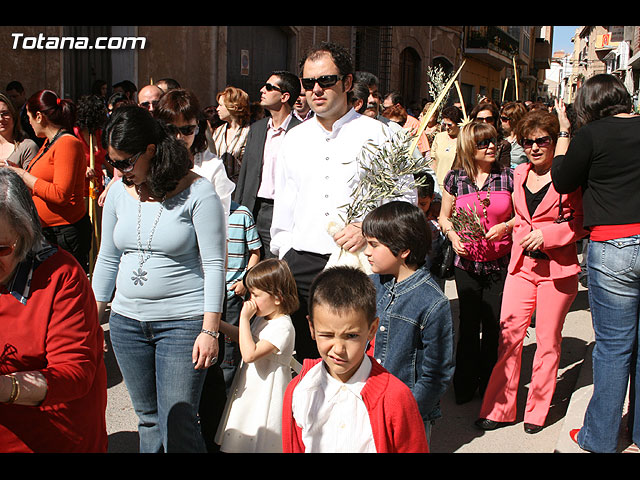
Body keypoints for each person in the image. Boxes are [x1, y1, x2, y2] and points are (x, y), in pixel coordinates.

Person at [91, 105, 227, 453]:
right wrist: (92, 322)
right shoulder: (120, 192)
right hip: (126, 324)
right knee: (148, 419)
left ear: (151, 150)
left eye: (125, 162)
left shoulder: (198, 193)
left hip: (182, 323)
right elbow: (107, 258)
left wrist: (209, 329)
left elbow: (214, 264)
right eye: (113, 162)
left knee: (179, 421)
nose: (118, 171)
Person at [270, 42, 406, 361]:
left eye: (326, 81)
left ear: (346, 83)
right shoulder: (294, 139)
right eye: (308, 83)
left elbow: (402, 200)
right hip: (300, 263)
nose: (316, 89)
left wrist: (367, 228)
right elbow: (284, 203)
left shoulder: (381, 135)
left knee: (351, 357)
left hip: (357, 262)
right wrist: (285, 252)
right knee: (304, 358)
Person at [475, 109, 587, 434]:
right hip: (521, 267)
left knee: (547, 341)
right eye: (528, 141)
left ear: (554, 141)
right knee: (508, 337)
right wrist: (508, 225)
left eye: (542, 140)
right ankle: (500, 408)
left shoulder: (568, 176)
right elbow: (525, 215)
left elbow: (581, 222)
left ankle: (537, 410)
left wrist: (550, 235)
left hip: (557, 270)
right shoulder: (520, 172)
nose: (535, 147)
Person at [551, 74, 640, 453]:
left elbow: (561, 180)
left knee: (613, 348)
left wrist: (564, 133)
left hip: (613, 245)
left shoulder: (591, 134)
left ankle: (600, 437)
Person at [0, 168, 107, 453]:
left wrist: (3, 388)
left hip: (55, 438)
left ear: (25, 237)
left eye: (0, 249)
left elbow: (74, 372)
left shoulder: (61, 275)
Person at [282, 266, 429, 453]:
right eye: (327, 335)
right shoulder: (299, 390)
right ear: (311, 327)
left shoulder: (395, 397)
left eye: (351, 336)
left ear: (372, 329)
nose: (338, 349)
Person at [362, 201, 454, 443]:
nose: (366, 251)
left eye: (373, 245)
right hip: (367, 401)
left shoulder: (433, 303)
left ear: (402, 249)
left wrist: (409, 411)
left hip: (405, 413)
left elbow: (436, 373)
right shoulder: (373, 285)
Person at [438, 121, 514, 404]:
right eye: (483, 143)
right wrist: (453, 235)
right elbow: (444, 216)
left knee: (494, 325)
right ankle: (465, 385)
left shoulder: (508, 177)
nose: (491, 146)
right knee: (469, 324)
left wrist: (506, 227)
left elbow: (525, 215)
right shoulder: (455, 179)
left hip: (499, 263)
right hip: (466, 264)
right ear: (470, 147)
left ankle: (490, 387)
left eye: (493, 141)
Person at [4, 90, 91, 273]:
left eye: (28, 116)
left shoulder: (67, 143)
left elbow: (60, 195)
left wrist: (22, 174)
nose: (27, 122)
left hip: (65, 232)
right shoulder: (48, 143)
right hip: (49, 231)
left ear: (38, 116)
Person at [215, 258, 298, 453]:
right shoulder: (265, 318)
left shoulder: (283, 326)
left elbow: (250, 353)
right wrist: (219, 325)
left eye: (255, 294)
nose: (250, 300)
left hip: (267, 392)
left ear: (277, 297)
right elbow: (246, 339)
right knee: (245, 429)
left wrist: (244, 318)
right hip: (252, 388)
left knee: (262, 439)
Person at [235, 71, 301, 260]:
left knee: (273, 267)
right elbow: (246, 172)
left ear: (284, 96)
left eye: (270, 87)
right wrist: (238, 209)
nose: (262, 90)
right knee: (247, 262)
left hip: (281, 211)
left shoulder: (300, 132)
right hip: (253, 207)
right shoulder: (257, 128)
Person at [154, 88, 235, 219]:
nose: (179, 137)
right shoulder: (150, 163)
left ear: (197, 126)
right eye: (171, 130)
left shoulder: (212, 167)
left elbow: (221, 220)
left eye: (187, 130)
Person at [221, 200, 262, 390]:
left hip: (232, 293)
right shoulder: (200, 208)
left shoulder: (242, 214)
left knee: (231, 348)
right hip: (205, 293)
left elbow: (255, 251)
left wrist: (245, 280)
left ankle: (229, 393)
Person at [211, 86, 251, 183]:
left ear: (234, 107)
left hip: (240, 188)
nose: (217, 109)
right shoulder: (218, 131)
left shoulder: (250, 132)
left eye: (221, 105)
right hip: (219, 187)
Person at [74, 94, 109, 203]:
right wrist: (83, 168)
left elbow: (106, 159)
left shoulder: (99, 134)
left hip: (97, 189)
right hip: (80, 191)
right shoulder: (74, 134)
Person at [383, 90, 430, 156]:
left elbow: (423, 150)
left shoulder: (413, 124)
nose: (383, 111)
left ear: (397, 107)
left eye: (386, 108)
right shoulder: (383, 123)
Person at [0, 92, 38, 169]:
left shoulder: (27, 147)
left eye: (5, 113)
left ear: (14, 115)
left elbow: (31, 179)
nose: (0, 119)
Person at [431, 105, 463, 191]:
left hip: (454, 185)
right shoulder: (439, 137)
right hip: (437, 184)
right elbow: (433, 162)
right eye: (445, 124)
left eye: (450, 125)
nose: (447, 127)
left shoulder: (463, 140)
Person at [470, 100, 511, 168]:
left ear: (494, 121)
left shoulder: (503, 145)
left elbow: (504, 170)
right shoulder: (467, 142)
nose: (484, 122)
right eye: (480, 119)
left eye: (489, 119)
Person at [5, 80, 43, 147]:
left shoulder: (31, 110)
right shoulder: (9, 111)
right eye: (9, 97)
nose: (12, 100)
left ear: (23, 94)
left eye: (15, 96)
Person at [500, 101, 529, 168]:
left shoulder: (526, 141)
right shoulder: (499, 138)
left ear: (514, 120)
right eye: (501, 118)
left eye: (504, 119)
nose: (501, 121)